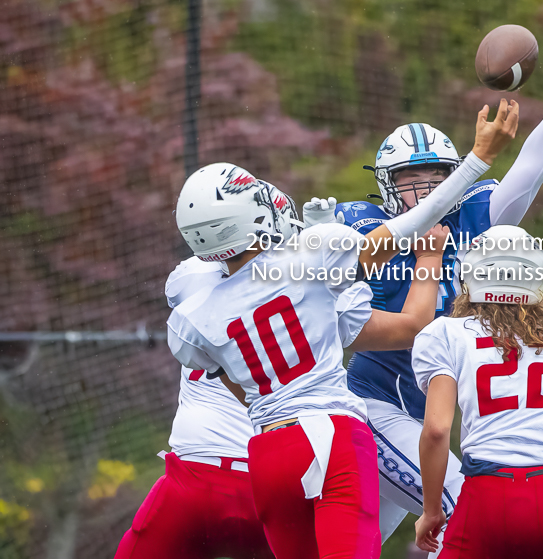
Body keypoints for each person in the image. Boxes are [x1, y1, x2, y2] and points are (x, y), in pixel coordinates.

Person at [164, 105, 517, 559]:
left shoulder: (194, 311)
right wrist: (478, 160)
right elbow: (410, 224)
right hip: (332, 437)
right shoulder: (309, 261)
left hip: (268, 449)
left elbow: (235, 382)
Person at [334, 23, 543, 540]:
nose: (425, 190)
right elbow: (392, 252)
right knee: (464, 511)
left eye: (437, 176)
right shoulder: (359, 225)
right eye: (408, 179)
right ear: (384, 185)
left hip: (435, 418)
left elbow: (530, 170)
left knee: (352, 546)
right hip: (378, 406)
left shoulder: (472, 215)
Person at [114, 188, 375, 559]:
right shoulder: (305, 281)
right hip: (271, 472)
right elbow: (392, 327)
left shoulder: (194, 283)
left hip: (195, 476)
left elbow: (198, 287)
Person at [411, 225, 543, 558]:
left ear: (468, 276)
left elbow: (437, 430)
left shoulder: (446, 333)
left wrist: (431, 510)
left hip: (487, 493)